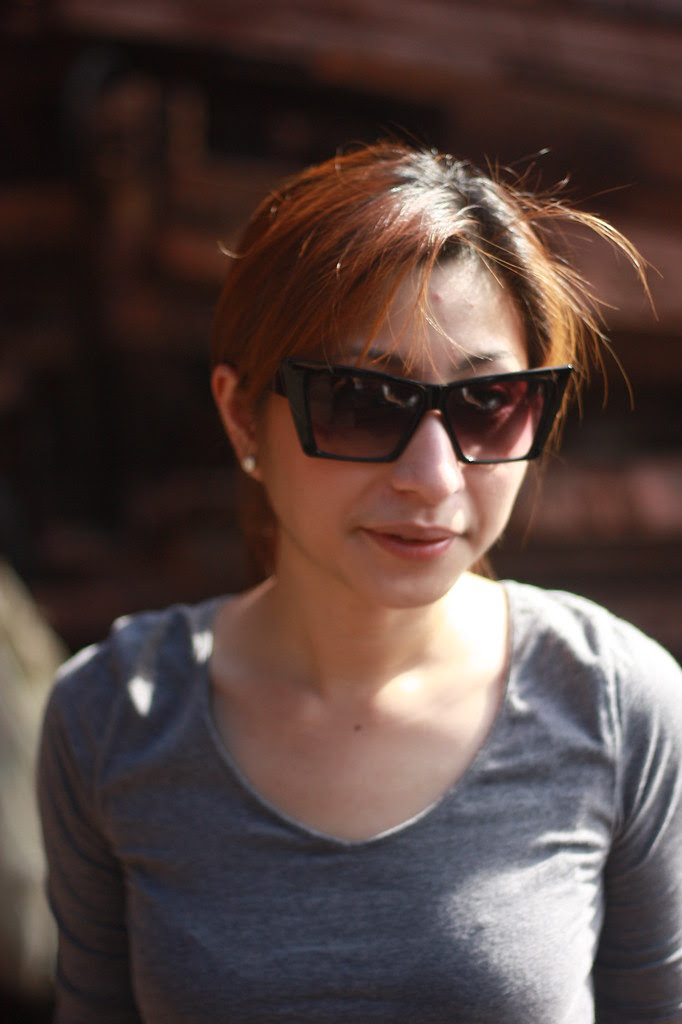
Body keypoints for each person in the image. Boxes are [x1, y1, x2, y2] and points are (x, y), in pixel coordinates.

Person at [38, 142, 682, 1023]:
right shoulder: (111, 719)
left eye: (487, 403)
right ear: (241, 415)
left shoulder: (617, 705)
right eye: (362, 401)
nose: (433, 477)